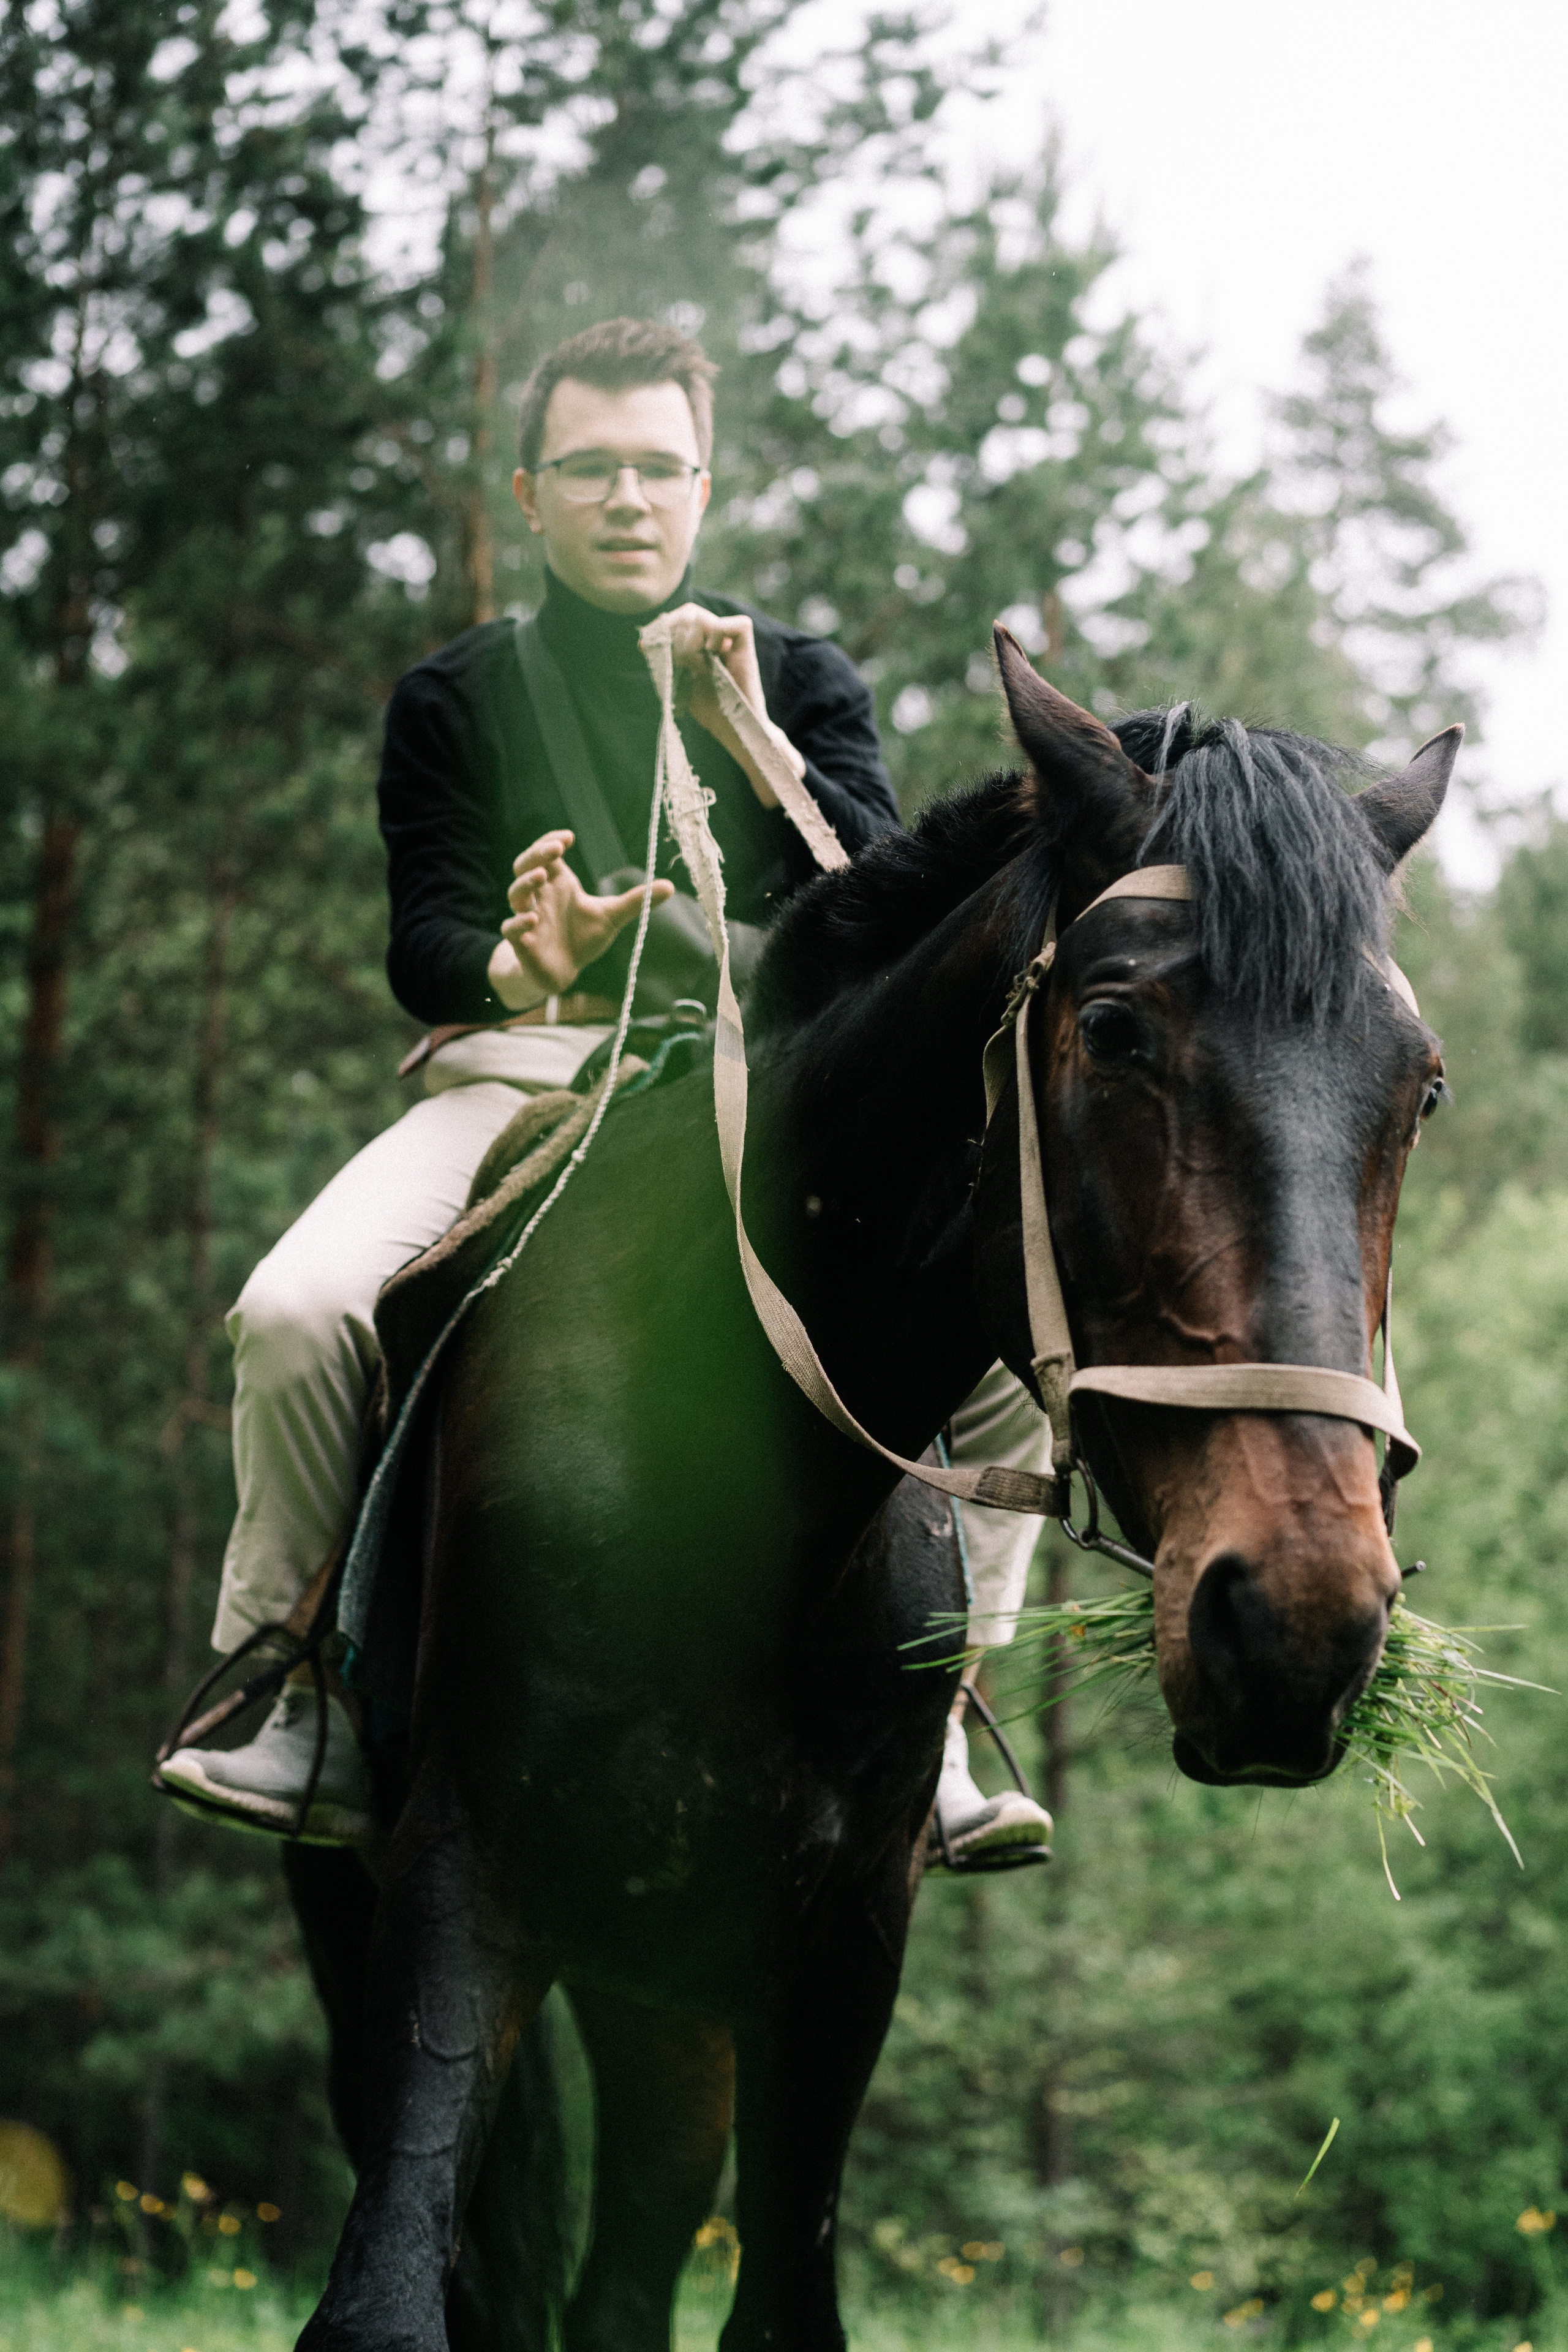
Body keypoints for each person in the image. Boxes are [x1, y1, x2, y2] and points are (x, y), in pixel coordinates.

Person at [157, 317, 1053, 1870]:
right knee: (297, 1313)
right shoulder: (452, 695)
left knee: (993, 1339)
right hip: (515, 1080)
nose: (625, 497)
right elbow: (421, 941)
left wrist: (752, 741)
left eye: (656, 467)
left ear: (703, 488)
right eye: (589, 468)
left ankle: (944, 1702)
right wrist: (525, 966)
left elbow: (881, 914)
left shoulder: (802, 682)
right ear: (528, 491)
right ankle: (283, 1681)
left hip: (751, 1099)